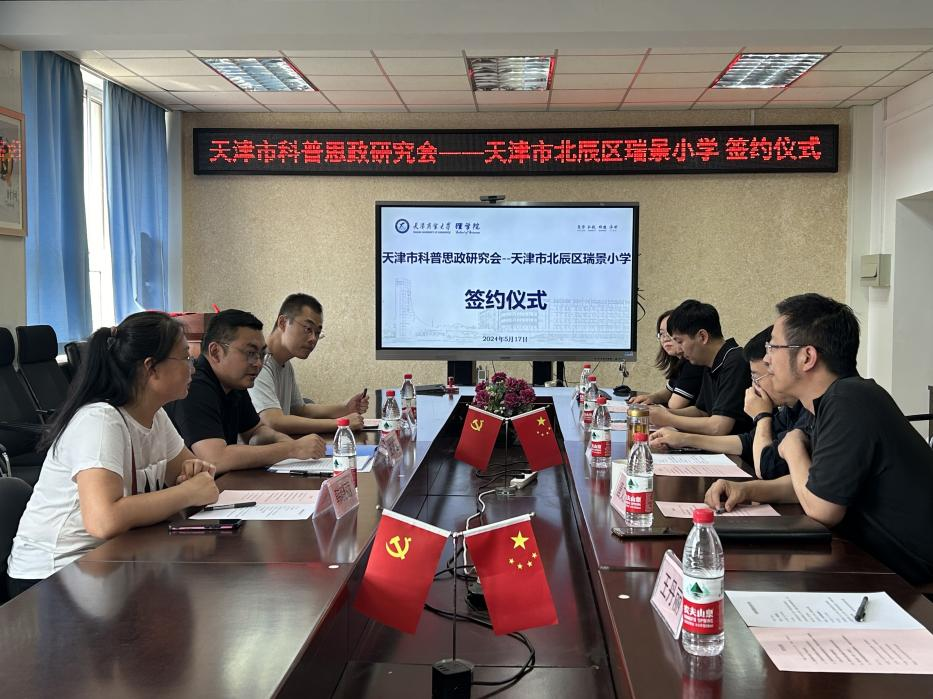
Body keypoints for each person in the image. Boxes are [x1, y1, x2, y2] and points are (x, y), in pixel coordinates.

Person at [704, 294, 933, 585]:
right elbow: (816, 483)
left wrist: (794, 449)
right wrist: (748, 490)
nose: (768, 358)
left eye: (773, 346)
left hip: (913, 580)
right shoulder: (834, 400)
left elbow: (823, 508)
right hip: (877, 564)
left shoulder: (848, 401)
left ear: (807, 357)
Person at [6, 312, 220, 598]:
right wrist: (188, 492)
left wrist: (195, 480)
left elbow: (191, 475)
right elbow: (103, 520)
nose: (193, 368)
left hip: (109, 561)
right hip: (51, 576)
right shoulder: (101, 420)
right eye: (185, 358)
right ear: (151, 368)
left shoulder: (155, 415)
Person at [165, 309, 326, 472]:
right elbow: (215, 459)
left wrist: (285, 442)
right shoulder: (194, 386)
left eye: (261, 354)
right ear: (215, 352)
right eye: (250, 353)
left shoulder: (234, 382)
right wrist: (291, 449)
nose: (258, 363)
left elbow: (256, 430)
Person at [650, 326, 812, 479]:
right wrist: (683, 439)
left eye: (756, 377)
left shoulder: (810, 411)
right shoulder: (790, 410)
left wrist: (762, 416)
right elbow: (746, 441)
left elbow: (767, 467)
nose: (753, 386)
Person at [247, 293, 369, 435]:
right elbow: (273, 421)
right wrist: (341, 423)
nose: (313, 339)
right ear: (283, 323)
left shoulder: (284, 364)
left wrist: (345, 408)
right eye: (307, 329)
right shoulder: (259, 364)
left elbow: (299, 410)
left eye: (317, 332)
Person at [648, 300, 752, 436]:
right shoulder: (710, 361)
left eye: (680, 341)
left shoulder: (736, 361)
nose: (679, 349)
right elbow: (701, 411)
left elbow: (718, 427)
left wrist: (668, 419)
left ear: (702, 337)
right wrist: (661, 413)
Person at [628, 309, 705, 409]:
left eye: (670, 332)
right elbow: (669, 391)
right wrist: (651, 398)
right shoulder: (680, 361)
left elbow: (675, 405)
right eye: (662, 334)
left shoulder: (693, 363)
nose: (665, 338)